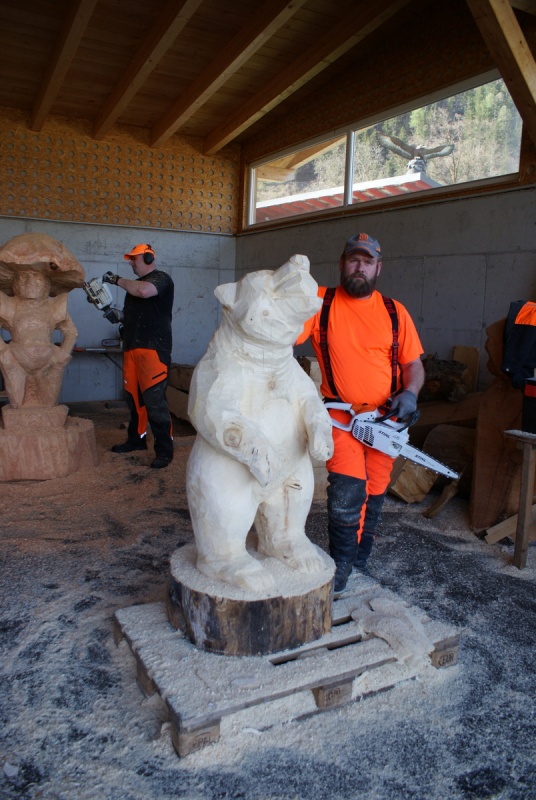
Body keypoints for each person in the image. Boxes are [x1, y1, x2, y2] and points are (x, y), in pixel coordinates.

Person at [296, 233, 425, 592]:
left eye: (367, 262)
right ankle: (339, 567)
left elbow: (413, 364)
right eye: (354, 260)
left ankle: (359, 559)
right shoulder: (320, 303)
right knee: (347, 491)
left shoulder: (394, 311)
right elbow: (283, 336)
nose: (360, 267)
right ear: (342, 263)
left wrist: (410, 393)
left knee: (376, 490)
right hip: (341, 417)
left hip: (386, 420)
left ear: (378, 268)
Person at [103, 243, 175, 469]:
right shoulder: (133, 288)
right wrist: (117, 315)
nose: (131, 263)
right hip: (132, 348)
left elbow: (143, 291)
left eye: (134, 259)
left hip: (153, 349)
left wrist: (116, 280)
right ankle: (136, 440)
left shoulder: (161, 279)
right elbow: (135, 312)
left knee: (155, 401)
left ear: (148, 258)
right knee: (134, 400)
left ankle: (164, 451)